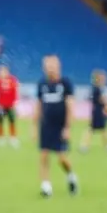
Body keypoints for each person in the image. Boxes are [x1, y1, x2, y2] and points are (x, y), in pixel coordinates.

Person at [33, 55, 79, 197]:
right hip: (46, 125)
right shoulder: (42, 84)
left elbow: (70, 106)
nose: (50, 69)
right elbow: (39, 105)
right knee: (44, 155)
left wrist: (67, 127)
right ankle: (46, 186)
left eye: (52, 66)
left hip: (60, 126)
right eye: (47, 67)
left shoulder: (65, 83)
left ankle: (71, 175)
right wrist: (34, 126)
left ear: (58, 67)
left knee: (61, 158)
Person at [80, 69, 107, 153]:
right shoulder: (97, 88)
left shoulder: (94, 88)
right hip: (98, 111)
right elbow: (101, 99)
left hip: (96, 110)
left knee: (94, 129)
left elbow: (90, 98)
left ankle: (85, 146)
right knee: (100, 129)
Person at [0, 64, 19, 148]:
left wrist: (15, 103)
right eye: (1, 71)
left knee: (12, 121)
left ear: (7, 71)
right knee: (0, 122)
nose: (2, 73)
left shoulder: (12, 80)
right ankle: (1, 138)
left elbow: (15, 91)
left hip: (10, 106)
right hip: (2, 106)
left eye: (4, 71)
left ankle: (13, 138)